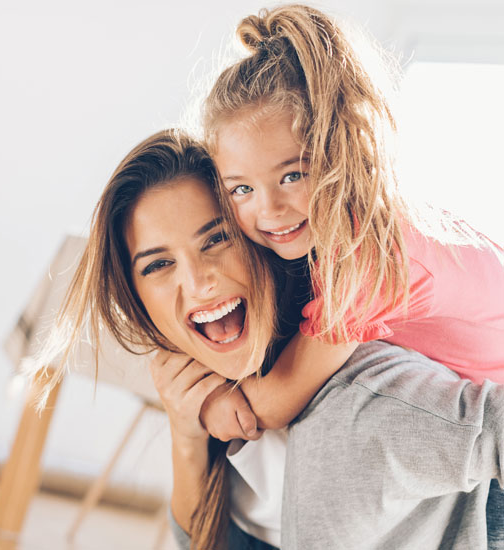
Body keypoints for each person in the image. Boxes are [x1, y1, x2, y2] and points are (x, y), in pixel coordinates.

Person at [33, 129, 504, 549]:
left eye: (216, 239)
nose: (198, 282)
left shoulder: (364, 396)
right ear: (138, 300)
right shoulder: (214, 393)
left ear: (263, 238)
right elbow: (206, 540)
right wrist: (187, 435)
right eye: (158, 264)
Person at [198, 2, 504, 444]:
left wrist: (205, 397)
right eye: (241, 189)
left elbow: (273, 406)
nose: (270, 210)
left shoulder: (370, 257)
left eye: (292, 175)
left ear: (342, 154)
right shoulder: (368, 222)